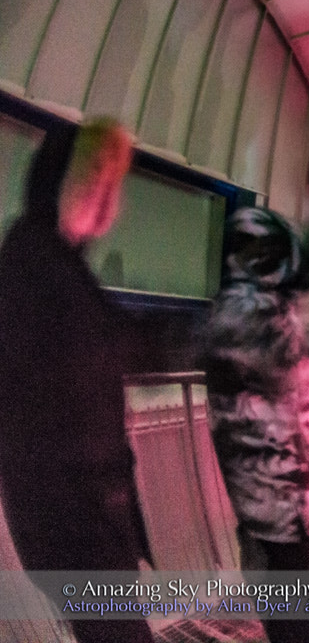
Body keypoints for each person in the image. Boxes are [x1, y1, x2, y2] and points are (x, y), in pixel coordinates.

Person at [0, 120, 156, 643]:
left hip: (84, 513)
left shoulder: (58, 265)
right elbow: (92, 350)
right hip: (70, 516)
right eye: (99, 180)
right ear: (66, 184)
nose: (109, 198)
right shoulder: (31, 264)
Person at [201, 207, 309, 643]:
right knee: (298, 593)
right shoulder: (249, 315)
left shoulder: (248, 308)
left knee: (297, 589)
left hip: (275, 492)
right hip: (278, 497)